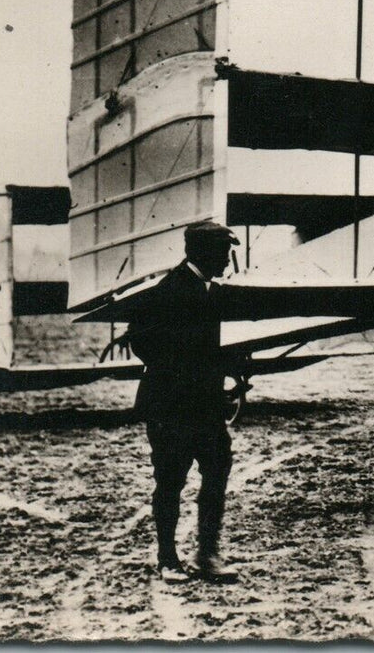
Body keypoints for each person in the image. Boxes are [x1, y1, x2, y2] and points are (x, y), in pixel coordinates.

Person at [126, 222, 240, 583]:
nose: (227, 258)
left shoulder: (212, 292)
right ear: (201, 252)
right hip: (171, 407)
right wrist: (181, 373)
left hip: (204, 407)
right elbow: (139, 341)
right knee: (171, 481)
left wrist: (223, 379)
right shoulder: (167, 291)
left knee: (217, 470)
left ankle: (206, 555)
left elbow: (212, 350)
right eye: (222, 251)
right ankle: (168, 560)